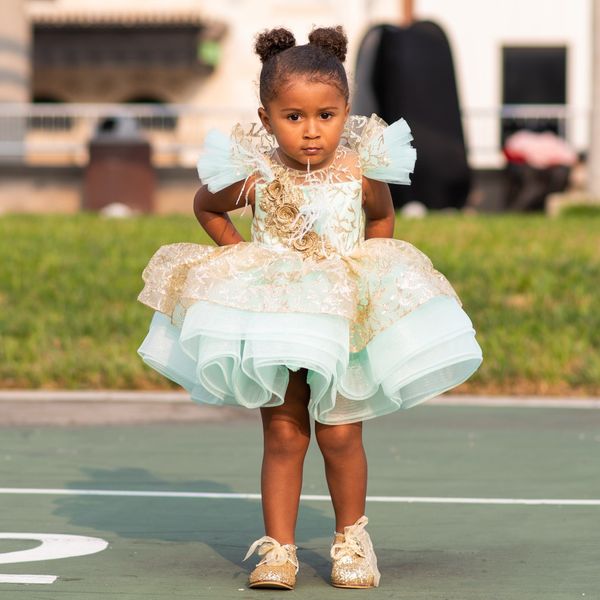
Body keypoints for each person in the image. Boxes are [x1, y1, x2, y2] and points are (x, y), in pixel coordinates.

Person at [136, 25, 483, 590]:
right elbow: (207, 206)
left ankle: (351, 538)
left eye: (327, 115)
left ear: (347, 110)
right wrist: (243, 257)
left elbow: (380, 220)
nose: (312, 131)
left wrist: (369, 271)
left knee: (342, 432)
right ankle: (279, 549)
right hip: (276, 315)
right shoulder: (259, 173)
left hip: (340, 314)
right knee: (285, 430)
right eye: (293, 117)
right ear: (267, 116)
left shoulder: (359, 171)